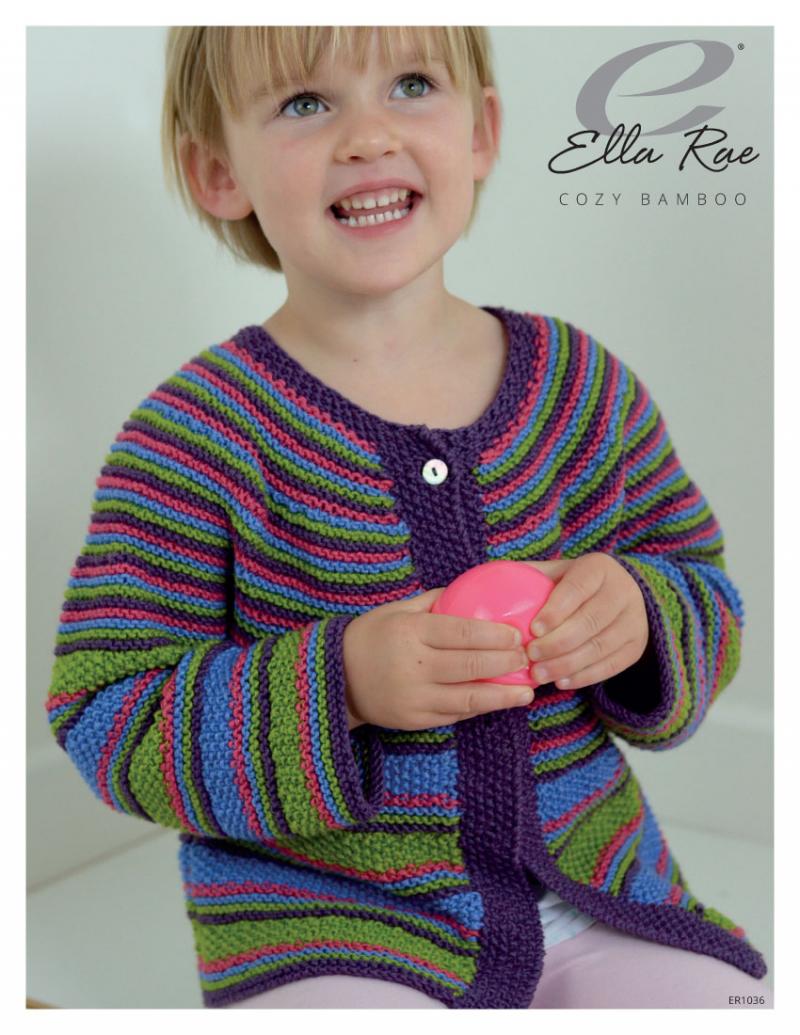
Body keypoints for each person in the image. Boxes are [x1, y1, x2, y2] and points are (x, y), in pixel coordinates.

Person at [44, 25, 772, 1010]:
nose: (369, 136)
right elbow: (107, 714)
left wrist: (640, 614)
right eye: (305, 104)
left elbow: (706, 595)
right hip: (329, 929)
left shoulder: (579, 387)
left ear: (480, 133)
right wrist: (338, 684)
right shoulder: (191, 437)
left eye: (413, 84)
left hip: (597, 891)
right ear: (220, 172)